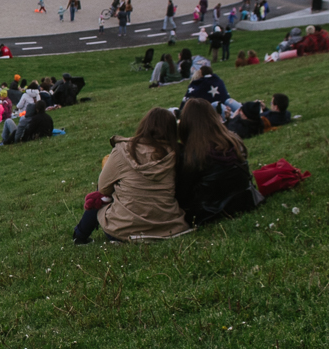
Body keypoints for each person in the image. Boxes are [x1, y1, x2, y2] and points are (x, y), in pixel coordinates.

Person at [73, 108, 190, 244]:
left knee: (100, 197)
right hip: (169, 226)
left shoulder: (123, 150)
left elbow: (103, 188)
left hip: (123, 229)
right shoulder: (177, 154)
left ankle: (79, 236)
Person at [174, 98, 263, 226]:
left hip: (209, 213)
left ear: (186, 123)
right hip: (245, 201)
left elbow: (183, 195)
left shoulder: (191, 154)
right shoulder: (233, 141)